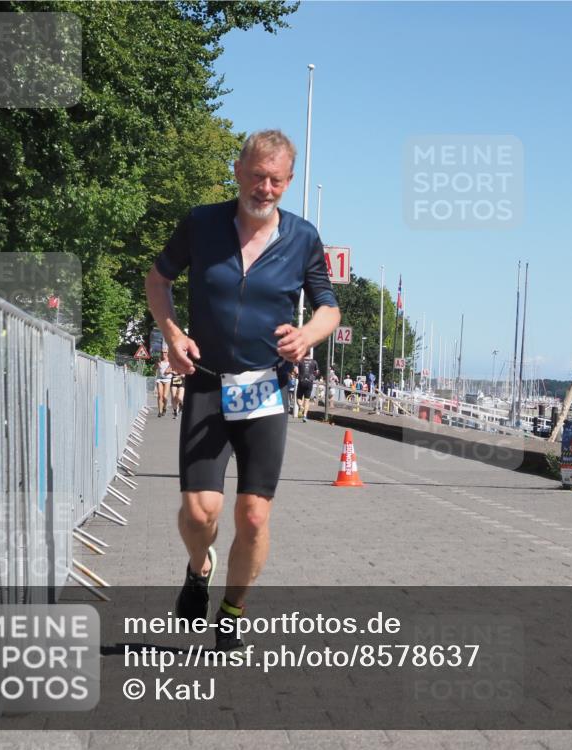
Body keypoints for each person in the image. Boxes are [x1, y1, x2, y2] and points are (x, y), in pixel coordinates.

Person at [145, 129, 340, 651]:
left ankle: (233, 607)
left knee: (253, 515)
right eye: (256, 176)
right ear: (237, 171)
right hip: (207, 387)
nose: (265, 187)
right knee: (198, 511)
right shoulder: (201, 224)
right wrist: (172, 333)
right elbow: (157, 280)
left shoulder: (303, 238)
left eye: (276, 180)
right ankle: (198, 567)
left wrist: (308, 335)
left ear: (289, 181)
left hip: (264, 391)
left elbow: (329, 307)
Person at [296, 355, 319, 422]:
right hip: (309, 382)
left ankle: (301, 407)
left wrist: (297, 375)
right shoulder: (314, 362)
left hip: (301, 381)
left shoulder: (300, 361)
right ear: (310, 355)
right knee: (307, 400)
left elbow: (296, 371)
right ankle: (305, 416)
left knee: (299, 398)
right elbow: (317, 372)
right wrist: (313, 376)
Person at [155, 350, 172, 417]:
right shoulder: (158, 361)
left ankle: (164, 407)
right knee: (160, 395)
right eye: (162, 352)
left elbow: (172, 369)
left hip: (167, 380)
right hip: (160, 379)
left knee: (165, 396)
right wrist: (156, 365)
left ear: (168, 353)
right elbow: (154, 369)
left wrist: (170, 370)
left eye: (165, 352)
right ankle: (160, 411)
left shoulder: (170, 361)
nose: (163, 354)